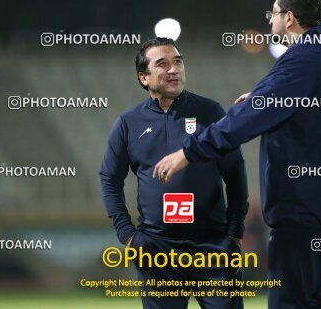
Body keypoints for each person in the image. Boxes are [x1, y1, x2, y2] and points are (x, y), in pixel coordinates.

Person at [153, 0, 321, 309]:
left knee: (288, 303)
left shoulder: (303, 59)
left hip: (302, 211)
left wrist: (188, 152)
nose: (269, 20)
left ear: (289, 18)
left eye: (274, 12)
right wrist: (263, 98)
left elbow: (244, 121)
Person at [99, 37, 249, 309]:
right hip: (157, 250)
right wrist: (128, 236)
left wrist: (235, 230)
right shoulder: (128, 123)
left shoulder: (210, 112)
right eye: (163, 64)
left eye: (178, 62)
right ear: (144, 77)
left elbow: (235, 171)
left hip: (213, 246)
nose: (173, 69)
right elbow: (109, 178)